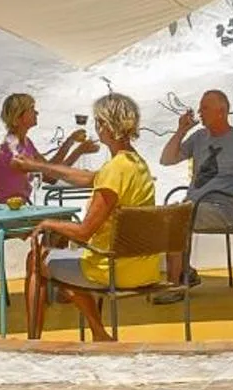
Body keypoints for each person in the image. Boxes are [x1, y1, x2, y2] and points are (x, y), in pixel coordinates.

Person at [24, 93, 159, 341]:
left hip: (113, 269)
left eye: (98, 122)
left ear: (106, 126)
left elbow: (84, 232)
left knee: (36, 259)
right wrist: (38, 166)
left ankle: (35, 341)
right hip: (144, 267)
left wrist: (48, 223)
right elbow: (90, 178)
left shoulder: (114, 169)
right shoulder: (136, 163)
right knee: (63, 259)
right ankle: (98, 333)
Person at [155, 89, 233, 292]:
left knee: (177, 216)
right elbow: (166, 159)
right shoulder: (199, 137)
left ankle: (174, 286)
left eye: (205, 108)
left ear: (221, 111)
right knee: (168, 215)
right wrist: (181, 130)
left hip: (220, 210)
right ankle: (184, 273)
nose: (200, 112)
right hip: (193, 206)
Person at [0, 93, 97, 203]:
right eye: (32, 109)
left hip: (12, 207)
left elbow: (50, 167)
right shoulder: (13, 149)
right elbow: (51, 176)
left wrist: (70, 141)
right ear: (19, 117)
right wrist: (78, 151)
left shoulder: (26, 142)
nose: (36, 112)